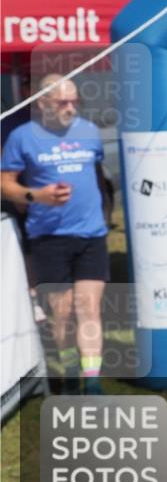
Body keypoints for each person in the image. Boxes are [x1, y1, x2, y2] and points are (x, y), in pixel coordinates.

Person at [1, 74, 111, 395]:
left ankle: (92, 381)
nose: (70, 108)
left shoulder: (89, 131)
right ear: (42, 103)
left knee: (89, 308)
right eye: (63, 102)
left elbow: (96, 175)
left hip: (91, 234)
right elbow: (5, 184)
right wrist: (37, 195)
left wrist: (104, 210)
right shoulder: (22, 137)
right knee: (60, 314)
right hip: (48, 237)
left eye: (75, 101)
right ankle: (70, 372)